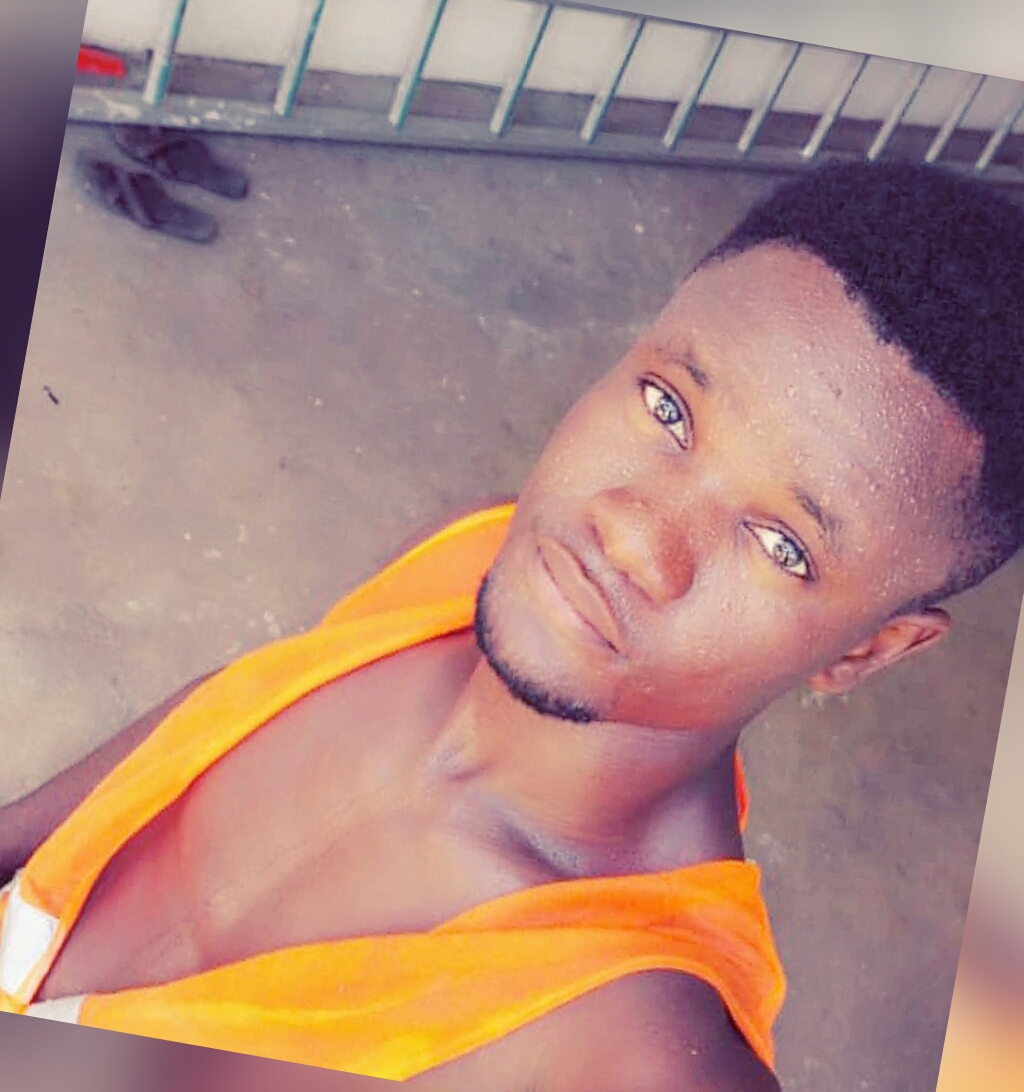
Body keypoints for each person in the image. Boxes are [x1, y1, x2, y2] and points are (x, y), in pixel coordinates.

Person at [2, 161, 1023, 1091]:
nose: (631, 536)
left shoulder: (634, 1054)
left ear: (865, 650)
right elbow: (233, 710)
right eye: (668, 407)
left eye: (780, 544)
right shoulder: (483, 558)